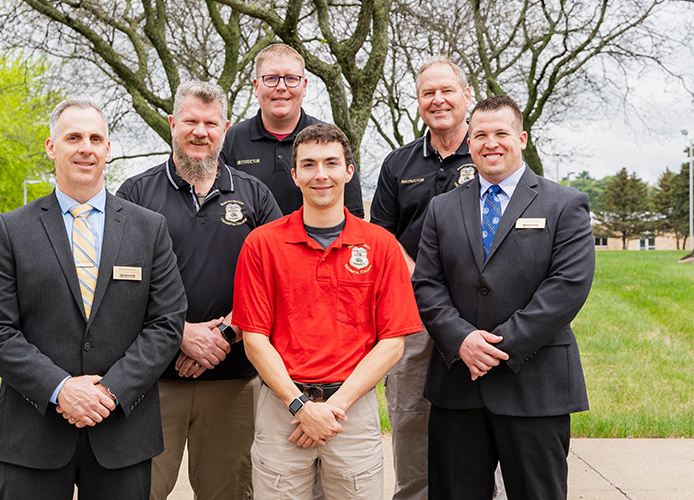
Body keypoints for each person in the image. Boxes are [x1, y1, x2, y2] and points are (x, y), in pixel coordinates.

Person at [0, 97, 187, 500]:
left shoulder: (149, 229)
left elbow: (166, 323)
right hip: (33, 436)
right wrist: (60, 388)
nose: (85, 147)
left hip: (122, 433)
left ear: (108, 149)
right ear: (52, 147)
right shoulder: (13, 230)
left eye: (95, 138)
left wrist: (109, 391)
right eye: (73, 137)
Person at [412, 95, 595, 500]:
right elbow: (426, 284)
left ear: (522, 138)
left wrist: (497, 348)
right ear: (469, 142)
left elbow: (567, 287)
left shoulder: (564, 204)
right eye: (480, 135)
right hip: (458, 385)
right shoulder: (442, 209)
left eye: (501, 133)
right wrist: (462, 340)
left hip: (534, 385)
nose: (490, 143)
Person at [232, 123, 422, 499]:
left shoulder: (380, 246)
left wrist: (332, 408)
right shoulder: (262, 244)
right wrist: (301, 406)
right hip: (281, 408)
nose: (321, 174)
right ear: (295, 174)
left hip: (352, 410)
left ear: (349, 173)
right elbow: (254, 340)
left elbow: (392, 343)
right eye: (309, 164)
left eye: (331, 163)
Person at [116, 81, 282, 500]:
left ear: (225, 129)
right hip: (153, 381)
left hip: (234, 379)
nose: (200, 132)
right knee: (139, 489)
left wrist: (226, 333)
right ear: (173, 124)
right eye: (190, 121)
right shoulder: (136, 194)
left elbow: (277, 280)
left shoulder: (254, 195)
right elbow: (116, 285)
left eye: (210, 123)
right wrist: (180, 335)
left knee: (227, 491)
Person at [369, 55, 476, 500]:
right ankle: (414, 493)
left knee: (477, 412)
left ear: (467, 96)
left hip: (475, 313)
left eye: (447, 90)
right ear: (418, 103)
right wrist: (421, 278)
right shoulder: (398, 164)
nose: (438, 100)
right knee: (410, 411)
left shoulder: (491, 152)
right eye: (428, 93)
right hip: (411, 312)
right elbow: (380, 235)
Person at [221, 43, 364, 217]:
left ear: (304, 86)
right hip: (249, 244)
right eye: (271, 78)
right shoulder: (229, 141)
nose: (281, 87)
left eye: (291, 78)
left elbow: (353, 216)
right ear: (256, 86)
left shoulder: (332, 141)